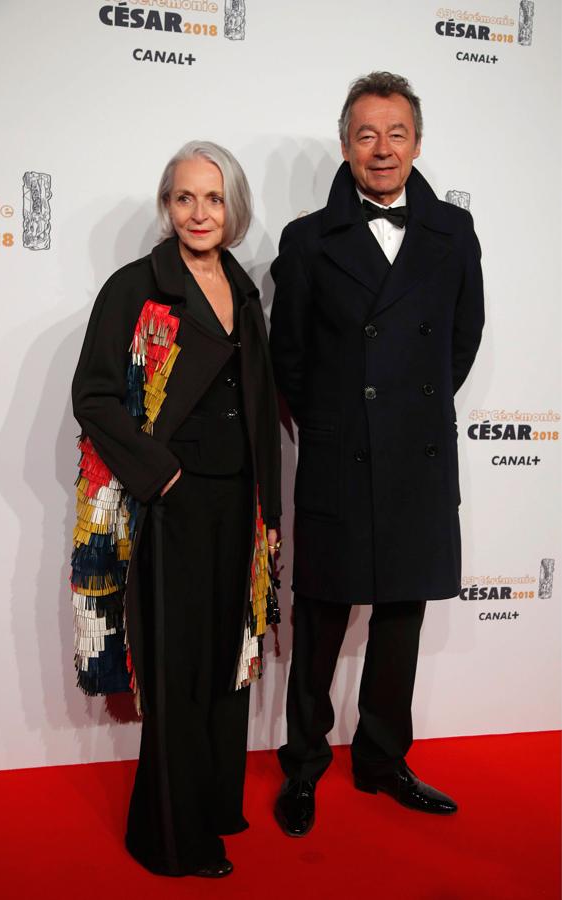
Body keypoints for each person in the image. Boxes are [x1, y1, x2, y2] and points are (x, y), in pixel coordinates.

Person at [270, 71, 484, 836]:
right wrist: (337, 424)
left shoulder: (452, 232)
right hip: (340, 455)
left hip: (415, 457)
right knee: (319, 618)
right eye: (366, 135)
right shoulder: (305, 240)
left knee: (400, 619)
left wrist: (408, 412)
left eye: (396, 133)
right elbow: (288, 358)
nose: (382, 148)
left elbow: (460, 340)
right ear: (345, 146)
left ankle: (382, 759)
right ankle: (302, 764)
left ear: (416, 143)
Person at [70, 141, 281, 877]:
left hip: (238, 504)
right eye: (185, 197)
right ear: (167, 205)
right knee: (177, 669)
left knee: (228, 661)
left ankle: (215, 805)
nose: (199, 212)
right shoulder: (136, 288)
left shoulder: (244, 288)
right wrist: (160, 477)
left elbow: (261, 407)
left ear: (233, 208)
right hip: (172, 505)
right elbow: (93, 395)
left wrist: (270, 512)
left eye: (213, 198)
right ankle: (168, 837)